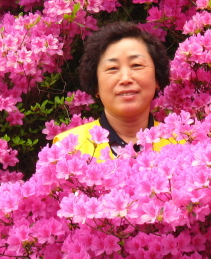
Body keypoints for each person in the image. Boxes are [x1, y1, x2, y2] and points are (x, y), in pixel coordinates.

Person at [53, 22, 177, 158]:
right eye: (112, 68)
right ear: (96, 86)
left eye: (136, 65)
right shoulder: (68, 149)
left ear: (157, 79)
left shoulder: (180, 143)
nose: (125, 78)